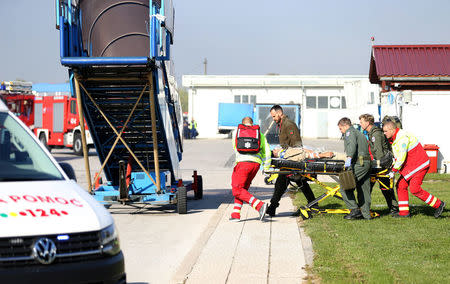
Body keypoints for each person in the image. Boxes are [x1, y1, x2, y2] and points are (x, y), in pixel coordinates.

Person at [383, 121, 446, 218]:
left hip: (419, 165)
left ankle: (439, 204)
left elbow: (401, 156)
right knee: (401, 185)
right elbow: (399, 156)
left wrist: (393, 171)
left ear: (392, 130)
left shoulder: (402, 138)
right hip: (413, 166)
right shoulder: (396, 138)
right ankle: (404, 213)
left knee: (414, 189)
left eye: (386, 131)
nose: (384, 133)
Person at [266, 105, 317, 217]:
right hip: (289, 160)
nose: (273, 119)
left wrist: (285, 153)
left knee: (282, 183)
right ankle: (314, 204)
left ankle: (272, 207)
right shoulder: (282, 124)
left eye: (274, 116)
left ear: (280, 113)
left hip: (292, 160)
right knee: (300, 182)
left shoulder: (289, 125)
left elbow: (297, 145)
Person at [230, 116, 271, 222]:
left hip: (243, 164)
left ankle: (259, 205)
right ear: (252, 124)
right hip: (255, 165)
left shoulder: (237, 132)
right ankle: (235, 214)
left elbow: (235, 148)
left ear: (242, 124)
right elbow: (267, 152)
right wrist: (266, 167)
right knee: (242, 189)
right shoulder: (260, 135)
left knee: (237, 189)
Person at [359, 114, 399, 215]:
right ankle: (364, 208)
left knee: (384, 187)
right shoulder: (372, 132)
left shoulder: (375, 134)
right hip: (379, 164)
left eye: (362, 122)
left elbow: (379, 153)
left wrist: (372, 164)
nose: (360, 124)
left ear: (367, 123)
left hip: (382, 165)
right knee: (371, 186)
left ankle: (394, 208)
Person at [338, 117, 372, 220]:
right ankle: (366, 215)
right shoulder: (358, 132)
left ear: (345, 125)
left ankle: (354, 210)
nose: (341, 131)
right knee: (363, 189)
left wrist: (349, 158)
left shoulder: (350, 132)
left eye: (340, 128)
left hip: (359, 163)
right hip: (365, 162)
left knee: (345, 185)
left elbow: (352, 146)